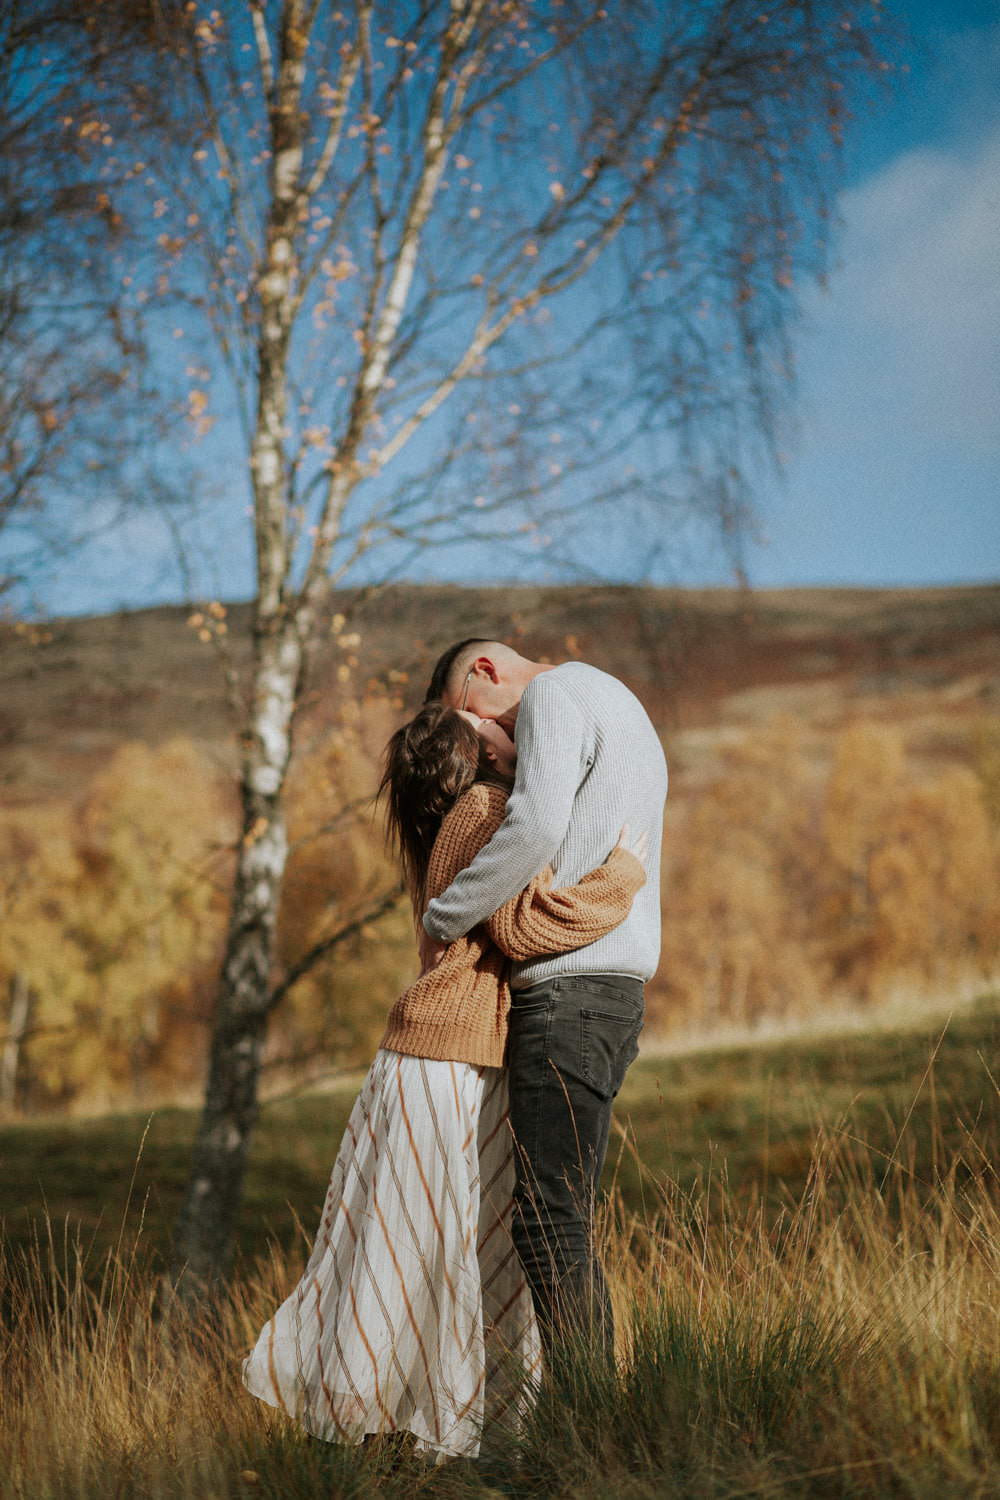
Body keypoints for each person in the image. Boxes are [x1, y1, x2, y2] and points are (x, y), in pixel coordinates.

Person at [241, 702, 647, 1462]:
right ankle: (388, 1442)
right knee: (418, 1256)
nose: (505, 721)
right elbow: (526, 928)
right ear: (478, 752)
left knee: (418, 1253)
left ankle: (420, 1440)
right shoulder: (489, 807)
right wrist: (622, 878)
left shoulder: (465, 814)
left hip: (439, 1062)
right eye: (483, 721)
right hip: (441, 1067)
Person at [421, 640, 668, 1365]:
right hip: (608, 994)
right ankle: (582, 1416)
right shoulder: (617, 698)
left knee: (547, 1219)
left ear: (485, 673)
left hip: (568, 990)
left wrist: (444, 914)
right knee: (558, 1214)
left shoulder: (555, 698)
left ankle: (588, 1423)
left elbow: (534, 826)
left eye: (468, 718)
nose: (480, 743)